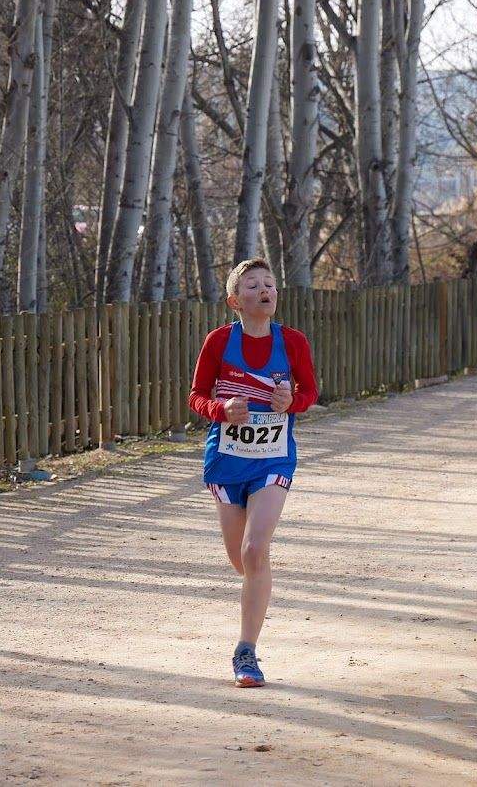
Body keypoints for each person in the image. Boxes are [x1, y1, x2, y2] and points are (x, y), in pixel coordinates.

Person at [188, 258, 318, 687]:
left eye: (270, 284)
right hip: (226, 460)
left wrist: (291, 403)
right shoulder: (219, 342)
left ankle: (246, 651)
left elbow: (310, 391)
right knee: (240, 560)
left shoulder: (293, 342)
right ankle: (258, 587)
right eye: (253, 285)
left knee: (254, 550)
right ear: (234, 301)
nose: (265, 290)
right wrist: (221, 410)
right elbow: (197, 396)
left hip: (274, 458)